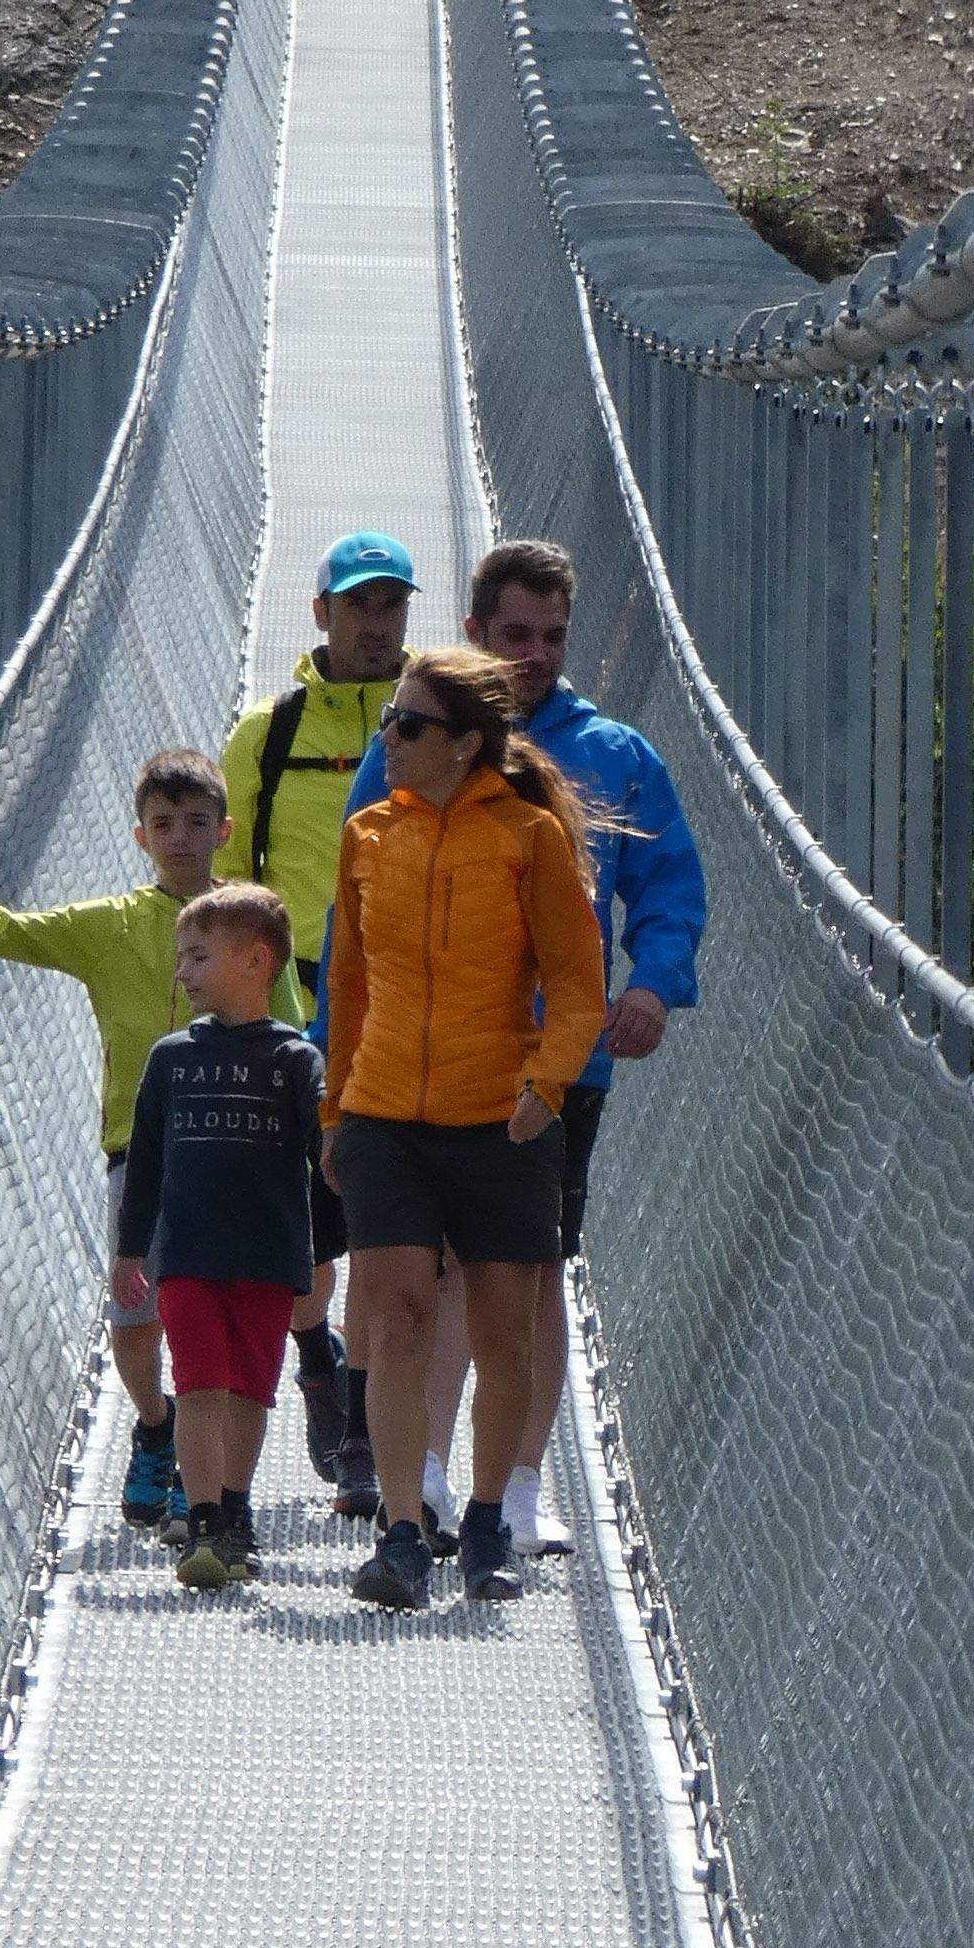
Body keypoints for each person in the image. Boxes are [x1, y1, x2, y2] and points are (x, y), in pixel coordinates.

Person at [341, 540, 702, 1558]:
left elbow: (670, 882)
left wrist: (652, 980)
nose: (535, 655)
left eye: (553, 636)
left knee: (527, 1275)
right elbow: (357, 908)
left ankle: (520, 1489)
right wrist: (338, 1066)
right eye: (514, 635)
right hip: (414, 1072)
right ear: (474, 632)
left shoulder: (616, 755)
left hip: (557, 1064)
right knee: (431, 1275)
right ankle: (425, 1475)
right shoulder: (413, 736)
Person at [0, 749, 300, 1541]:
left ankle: (201, 1491)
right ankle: (156, 1426)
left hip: (238, 1151)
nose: (180, 837)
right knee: (136, 1317)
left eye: (196, 822)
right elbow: (8, 932)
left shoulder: (251, 925)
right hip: (143, 1150)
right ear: (140, 836)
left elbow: (291, 1027)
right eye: (163, 824)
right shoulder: (109, 926)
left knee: (211, 1321)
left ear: (224, 830)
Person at [323, 646, 610, 1612]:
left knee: (503, 1337)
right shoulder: (368, 836)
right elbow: (347, 986)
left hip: (502, 1122)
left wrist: (547, 1084)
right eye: (388, 721)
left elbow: (578, 983)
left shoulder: (530, 838)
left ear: (466, 744)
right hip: (384, 1117)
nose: (390, 739)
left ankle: (486, 1521)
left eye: (410, 725)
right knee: (396, 1319)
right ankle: (404, 1532)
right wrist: (334, 1109)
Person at [217, 530, 417, 1505]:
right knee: (302, 1239)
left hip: (403, 997)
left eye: (391, 604)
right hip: (293, 999)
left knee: (378, 1222)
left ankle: (367, 1439)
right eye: (358, 604)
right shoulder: (270, 732)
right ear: (322, 614)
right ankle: (315, 1360)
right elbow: (225, 881)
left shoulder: (440, 721)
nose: (376, 624)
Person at [112, 884, 325, 1590]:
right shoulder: (170, 1059)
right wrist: (130, 1252)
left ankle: (235, 1510)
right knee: (199, 1383)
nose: (183, 972)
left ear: (256, 961)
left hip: (268, 1259)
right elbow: (144, 1162)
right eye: (182, 957)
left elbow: (324, 1155)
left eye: (198, 957)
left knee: (251, 1393)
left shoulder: (296, 1059)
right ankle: (203, 1523)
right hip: (189, 1258)